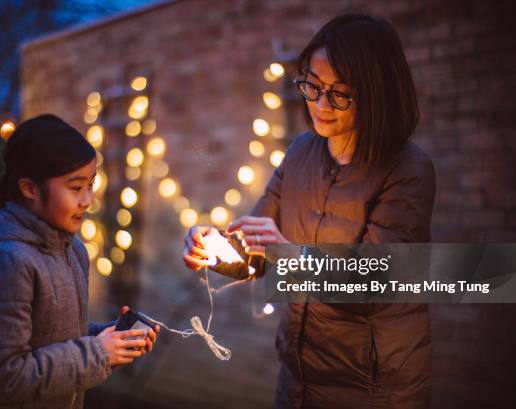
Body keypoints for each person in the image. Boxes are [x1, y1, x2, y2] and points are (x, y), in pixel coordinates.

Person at [183, 14, 435, 409]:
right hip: (298, 379)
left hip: (372, 391)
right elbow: (257, 255)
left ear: (377, 93)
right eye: (312, 86)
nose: (320, 104)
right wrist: (213, 250)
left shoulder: (407, 170)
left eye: (339, 93)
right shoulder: (301, 151)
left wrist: (286, 254)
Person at [0, 114, 159, 408]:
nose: (87, 200)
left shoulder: (72, 250)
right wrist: (98, 353)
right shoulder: (4, 261)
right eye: (75, 187)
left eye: (91, 184)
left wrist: (113, 340)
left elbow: (53, 337)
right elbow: (1, 381)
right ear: (29, 188)